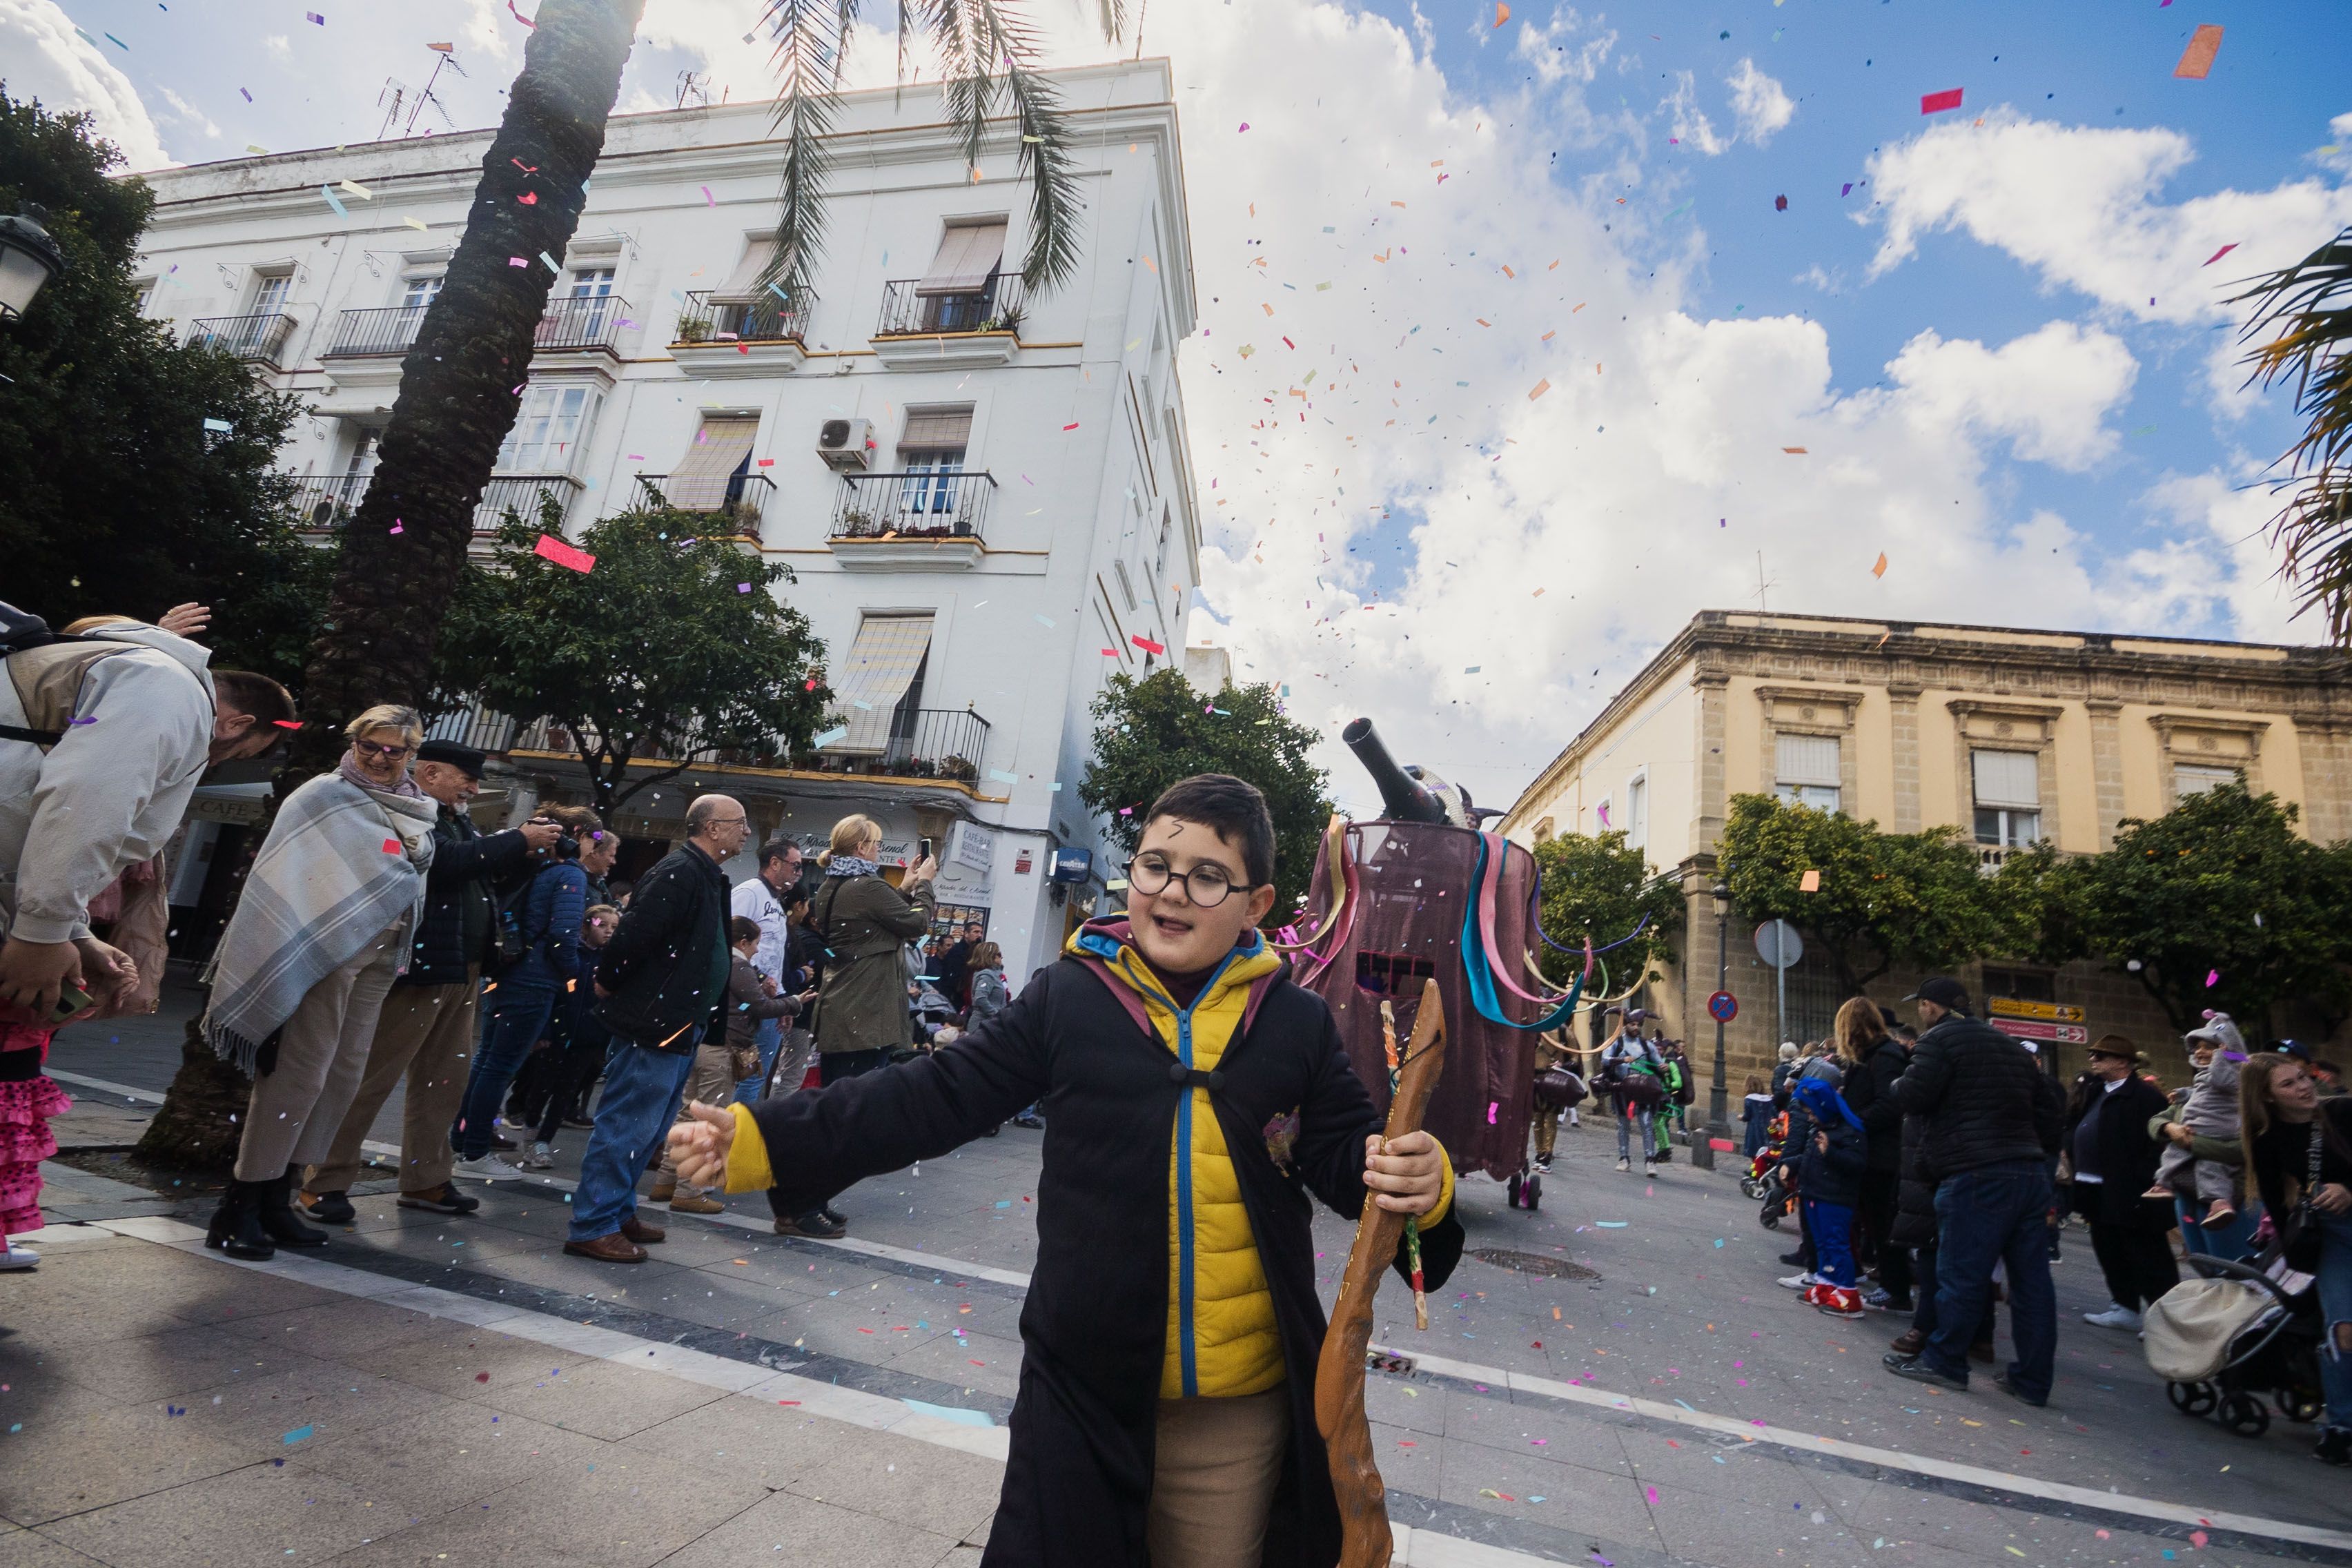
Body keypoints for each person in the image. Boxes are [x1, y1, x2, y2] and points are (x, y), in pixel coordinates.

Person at [665, 772, 1460, 1567]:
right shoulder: (1070, 997)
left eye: (1208, 875)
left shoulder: (1296, 1022)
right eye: (1155, 864)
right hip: (1083, 1394)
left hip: (1236, 1416)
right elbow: (932, 1096)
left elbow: (1349, 1159)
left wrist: (1419, 1186)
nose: (1173, 892)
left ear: (1257, 904)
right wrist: (766, 1139)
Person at [197, 706, 436, 1260]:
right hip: (322, 953)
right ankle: (240, 1204)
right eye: (369, 746)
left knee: (342, 1077)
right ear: (352, 743)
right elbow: (286, 880)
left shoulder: (418, 809)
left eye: (393, 750)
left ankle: (279, 1198)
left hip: (380, 957)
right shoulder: (321, 797)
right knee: (299, 1077)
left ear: (411, 756)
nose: (379, 758)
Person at [300, 740, 560, 1224]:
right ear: (433, 772)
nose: (474, 789)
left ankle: (426, 1179)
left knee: (444, 1082)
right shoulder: (408, 810)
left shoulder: (454, 816)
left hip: (461, 968)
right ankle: (324, 1180)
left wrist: (527, 856)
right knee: (370, 1078)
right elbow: (441, 863)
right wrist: (515, 841)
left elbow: (481, 882)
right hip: (416, 967)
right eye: (467, 779)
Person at [1, 604, 293, 1021]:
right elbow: (86, 801)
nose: (216, 765)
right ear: (237, 723)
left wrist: (71, 932)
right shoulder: (170, 689)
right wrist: (42, 934)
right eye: (243, 753)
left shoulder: (139, 673)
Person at [563, 794, 749, 1262]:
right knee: (627, 1126)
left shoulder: (704, 875)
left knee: (649, 1130)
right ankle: (593, 1224)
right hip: (654, 1022)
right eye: (739, 824)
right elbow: (633, 936)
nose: (746, 831)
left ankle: (618, 1211)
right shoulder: (680, 872)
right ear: (711, 828)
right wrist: (607, 982)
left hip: (679, 1024)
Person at [1883, 977, 2065, 1406]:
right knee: (2032, 1282)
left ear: (1930, 1006)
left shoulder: (1938, 1040)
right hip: (2028, 1172)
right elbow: (2050, 1109)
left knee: (1961, 1273)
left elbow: (1913, 1094)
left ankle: (1945, 1361)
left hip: (1976, 1174)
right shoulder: (2010, 1047)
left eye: (1921, 1006)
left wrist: (1895, 1082)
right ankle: (2033, 1380)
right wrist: (2038, 1156)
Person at [769, 814, 938, 1239]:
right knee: (845, 1120)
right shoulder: (866, 888)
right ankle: (799, 1205)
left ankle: (810, 1202)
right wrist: (925, 885)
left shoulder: (835, 886)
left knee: (836, 1113)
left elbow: (876, 918)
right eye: (876, 844)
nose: (880, 850)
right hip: (864, 1016)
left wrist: (904, 887)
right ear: (862, 847)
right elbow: (916, 923)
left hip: (847, 1011)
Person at [451, 803, 598, 1179]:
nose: (594, 847)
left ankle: (462, 1142)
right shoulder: (569, 874)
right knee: (500, 1067)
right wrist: (571, 975)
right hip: (534, 982)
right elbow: (565, 937)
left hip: (505, 973)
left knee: (487, 1061)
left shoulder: (531, 867)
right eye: (593, 838)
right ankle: (476, 1154)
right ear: (574, 835)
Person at [2240, 1053, 2352, 1465]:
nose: (2304, 1087)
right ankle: (2342, 1426)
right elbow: (2278, 1207)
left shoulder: (2343, 1111)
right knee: (2343, 1330)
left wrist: (2349, 1191)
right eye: (2288, 1084)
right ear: (2266, 1097)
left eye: (2304, 1077)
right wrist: (2299, 1264)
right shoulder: (2267, 1139)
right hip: (2335, 1239)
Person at [650, 916, 802, 1215]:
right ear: (743, 942)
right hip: (724, 1049)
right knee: (707, 1120)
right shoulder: (739, 966)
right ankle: (690, 1191)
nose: (757, 950)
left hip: (701, 1043)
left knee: (686, 1114)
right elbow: (757, 1006)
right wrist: (794, 1002)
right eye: (756, 943)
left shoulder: (715, 960)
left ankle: (666, 1180)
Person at [2063, 1035, 2177, 1332]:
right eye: (2093, 1055)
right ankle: (2124, 1306)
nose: (2093, 1060)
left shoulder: (2146, 1096)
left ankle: (2163, 1317)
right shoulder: (2096, 1090)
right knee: (2109, 1249)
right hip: (2094, 1186)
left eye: (2101, 1056)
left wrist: (2141, 1177)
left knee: (2147, 1254)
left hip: (2130, 1189)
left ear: (2123, 1062)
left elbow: (2158, 1144)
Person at [524, 901, 621, 1168]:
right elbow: (551, 994)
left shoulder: (610, 961)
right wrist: (542, 1031)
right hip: (558, 1032)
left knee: (566, 1092)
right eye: (603, 925)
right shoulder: (569, 955)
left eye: (614, 927)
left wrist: (604, 1039)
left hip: (588, 1037)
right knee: (542, 1086)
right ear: (586, 925)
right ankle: (531, 1131)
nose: (609, 932)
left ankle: (543, 1141)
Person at [1837, 997, 1915, 1311]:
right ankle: (1891, 1284)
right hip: (1872, 1153)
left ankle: (1896, 1289)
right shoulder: (1875, 1055)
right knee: (1877, 1223)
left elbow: (1890, 1103)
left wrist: (1854, 1120)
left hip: (1883, 1156)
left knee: (1884, 1225)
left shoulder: (1885, 1056)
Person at [2143, 1013, 2248, 1230]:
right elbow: (2158, 1121)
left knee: (2208, 1165)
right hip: (2191, 1172)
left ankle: (2215, 1200)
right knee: (2185, 1157)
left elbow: (2221, 1081)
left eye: (2208, 1047)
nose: (2200, 1052)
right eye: (2198, 1047)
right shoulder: (2204, 1077)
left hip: (2214, 1129)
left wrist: (2223, 1056)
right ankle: (2169, 1185)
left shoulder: (2232, 1074)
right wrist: (2175, 1113)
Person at [730, 834, 805, 1098]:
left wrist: (783, 1000)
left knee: (754, 1076)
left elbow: (774, 958)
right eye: (795, 865)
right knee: (745, 1077)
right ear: (774, 863)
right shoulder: (749, 893)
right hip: (747, 1002)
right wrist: (758, 979)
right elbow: (730, 945)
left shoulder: (774, 901)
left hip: (769, 1002)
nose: (799, 872)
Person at [1794, 1077, 1869, 1318]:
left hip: (1835, 1198)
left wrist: (1831, 1153)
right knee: (1823, 1244)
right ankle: (1826, 1281)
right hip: (1816, 1193)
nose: (1809, 1117)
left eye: (1811, 1112)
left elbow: (1857, 1164)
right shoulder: (1823, 1128)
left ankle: (1848, 1292)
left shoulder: (1849, 1132)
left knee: (1836, 1244)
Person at [1597, 1010, 1667, 1175]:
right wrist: (1621, 1060)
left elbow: (1658, 1062)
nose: (1636, 1027)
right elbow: (1605, 1059)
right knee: (1623, 1124)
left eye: (1638, 1025)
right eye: (1632, 1024)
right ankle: (1624, 1158)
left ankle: (1650, 1160)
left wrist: (1663, 1067)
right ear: (1626, 1025)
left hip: (1643, 1088)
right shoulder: (1617, 1043)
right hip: (1622, 1089)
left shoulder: (1646, 1045)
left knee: (1647, 1124)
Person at [1742, 1072, 1776, 1157]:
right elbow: (1774, 1113)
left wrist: (1741, 1117)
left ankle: (1755, 1167)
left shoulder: (1749, 1099)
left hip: (1754, 1128)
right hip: (1767, 1127)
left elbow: (1747, 1116)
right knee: (1765, 1149)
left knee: (1754, 1150)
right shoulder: (1768, 1099)